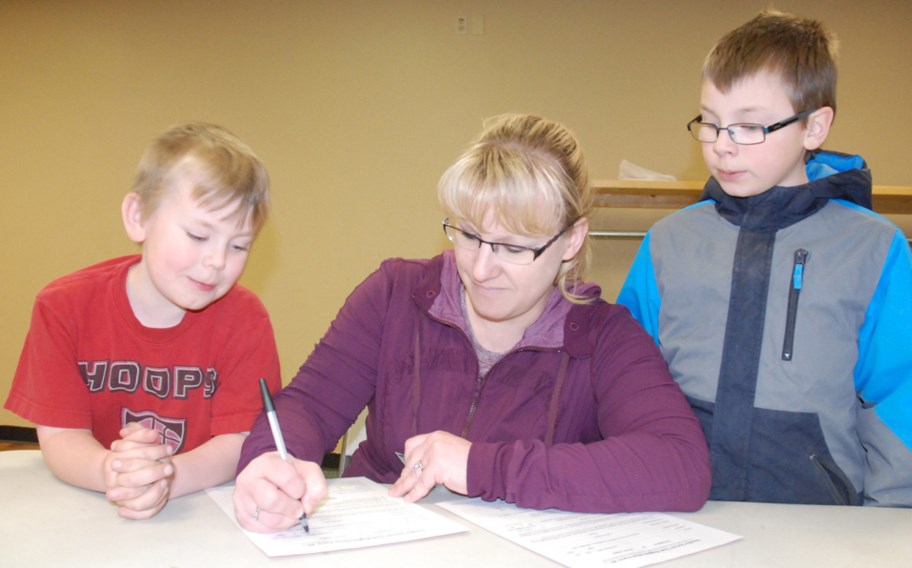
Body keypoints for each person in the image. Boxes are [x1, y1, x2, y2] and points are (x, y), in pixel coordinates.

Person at [233, 113, 711, 533]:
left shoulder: (603, 337)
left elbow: (680, 464)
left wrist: (482, 465)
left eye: (513, 247)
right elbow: (307, 407)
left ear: (571, 240)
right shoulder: (395, 294)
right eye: (469, 235)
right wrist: (272, 462)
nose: (481, 269)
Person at [617, 11, 912, 509]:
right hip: (682, 513)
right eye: (710, 123)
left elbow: (903, 404)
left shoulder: (872, 246)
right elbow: (624, 377)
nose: (721, 146)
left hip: (819, 523)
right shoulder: (668, 241)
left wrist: (903, 536)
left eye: (749, 126)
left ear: (814, 126)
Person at [5, 122, 282, 520]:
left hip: (197, 511)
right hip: (87, 507)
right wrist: (111, 472)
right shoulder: (62, 306)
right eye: (199, 236)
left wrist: (168, 477)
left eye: (238, 245)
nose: (218, 261)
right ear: (138, 217)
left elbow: (239, 440)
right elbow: (60, 435)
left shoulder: (246, 320)